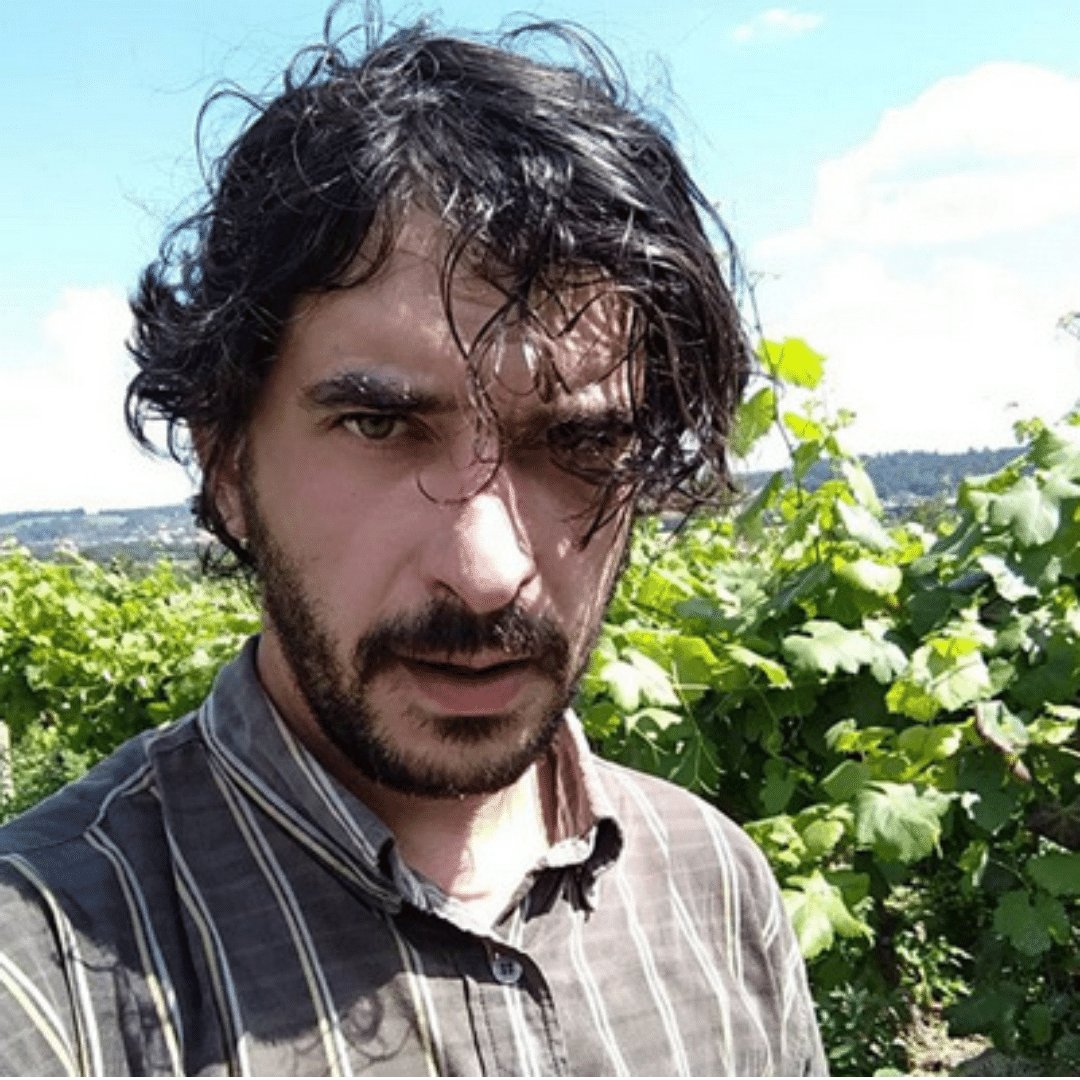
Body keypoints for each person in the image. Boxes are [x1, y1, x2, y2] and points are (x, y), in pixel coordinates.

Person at [0, 11, 826, 1076]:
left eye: (579, 443)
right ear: (227, 466)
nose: (486, 573)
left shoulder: (718, 885)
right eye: (380, 426)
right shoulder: (41, 972)